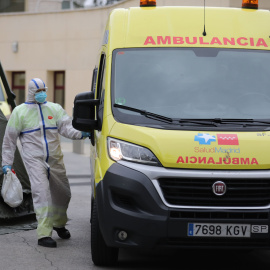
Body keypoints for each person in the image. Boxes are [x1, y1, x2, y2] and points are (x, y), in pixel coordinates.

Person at [2, 78, 90, 248]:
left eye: (44, 89)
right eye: (38, 91)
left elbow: (66, 128)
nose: (42, 93)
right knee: (41, 194)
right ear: (31, 93)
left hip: (55, 159)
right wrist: (7, 163)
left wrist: (82, 133)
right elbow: (9, 140)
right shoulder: (20, 112)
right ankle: (44, 234)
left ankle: (58, 223)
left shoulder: (54, 108)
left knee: (63, 194)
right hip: (34, 160)